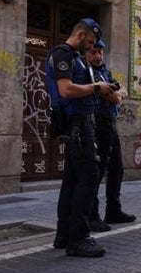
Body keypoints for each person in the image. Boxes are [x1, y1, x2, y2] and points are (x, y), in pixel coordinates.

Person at [46, 17, 116, 257]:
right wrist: (98, 88)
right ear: (81, 35)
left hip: (83, 124)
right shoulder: (63, 54)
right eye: (91, 41)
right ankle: (79, 237)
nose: (92, 47)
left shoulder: (76, 58)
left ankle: (64, 234)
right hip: (76, 125)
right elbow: (66, 90)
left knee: (72, 181)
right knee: (89, 176)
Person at [86, 39, 137, 232]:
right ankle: (92, 216)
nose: (98, 56)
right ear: (86, 54)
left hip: (110, 125)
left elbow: (123, 89)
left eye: (100, 52)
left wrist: (117, 93)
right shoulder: (89, 73)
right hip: (98, 125)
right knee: (96, 172)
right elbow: (115, 97)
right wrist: (116, 94)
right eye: (93, 52)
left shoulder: (105, 72)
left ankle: (113, 210)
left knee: (117, 169)